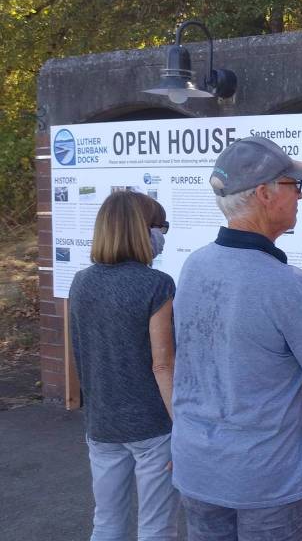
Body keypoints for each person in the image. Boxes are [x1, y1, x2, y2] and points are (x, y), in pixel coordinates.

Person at [171, 136, 302, 541]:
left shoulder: (194, 265)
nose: (301, 198)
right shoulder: (287, 283)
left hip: (197, 464)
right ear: (264, 194)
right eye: (295, 186)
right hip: (271, 476)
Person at [68, 190, 178, 541]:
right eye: (161, 227)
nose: (163, 235)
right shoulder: (157, 285)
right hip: (153, 425)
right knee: (156, 527)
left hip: (102, 422)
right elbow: (163, 366)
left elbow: (81, 350)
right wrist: (184, 426)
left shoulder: (81, 281)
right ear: (143, 230)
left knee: (106, 522)